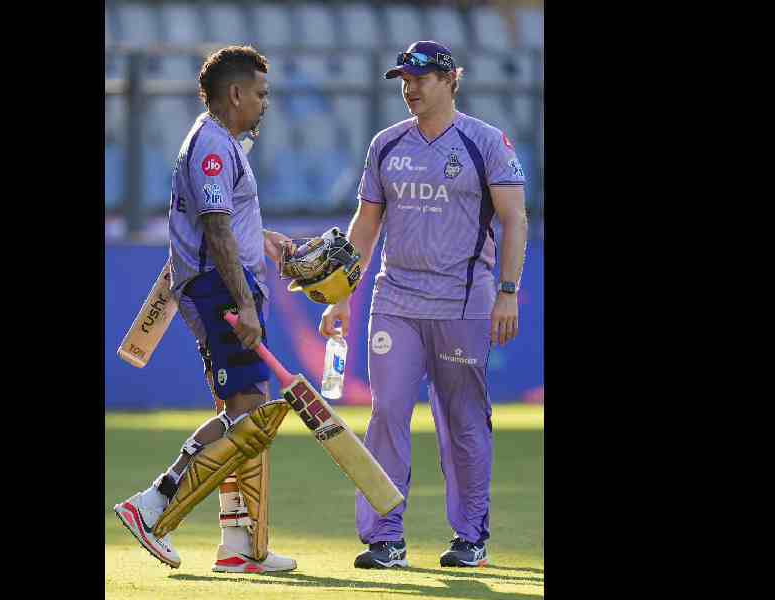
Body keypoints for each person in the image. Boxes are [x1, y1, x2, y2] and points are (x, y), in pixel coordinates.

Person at [319, 41, 528, 569]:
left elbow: (514, 219)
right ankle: (385, 537)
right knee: (387, 413)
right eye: (403, 79)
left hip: (463, 302)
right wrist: (341, 295)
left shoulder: (486, 142)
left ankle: (470, 537)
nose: (409, 88)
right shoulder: (387, 144)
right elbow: (365, 227)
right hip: (395, 299)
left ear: (450, 79)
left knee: (461, 419)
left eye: (421, 78)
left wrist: (507, 292)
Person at [114, 45, 297, 574]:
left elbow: (222, 223)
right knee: (247, 415)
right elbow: (215, 231)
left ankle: (238, 544)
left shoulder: (218, 143)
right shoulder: (212, 147)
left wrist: (260, 238)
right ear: (235, 93)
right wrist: (245, 302)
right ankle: (152, 505)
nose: (265, 103)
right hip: (220, 291)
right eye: (260, 94)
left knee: (244, 416)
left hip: (221, 283)